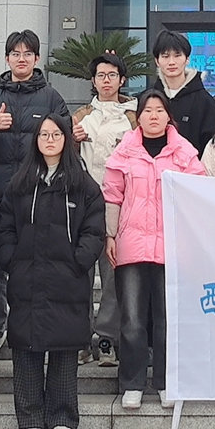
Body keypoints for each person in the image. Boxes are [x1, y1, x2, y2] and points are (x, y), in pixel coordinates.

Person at [2, 113, 107, 429]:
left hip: (67, 278)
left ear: (67, 139)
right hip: (27, 276)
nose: (50, 140)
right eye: (44, 135)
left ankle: (63, 416)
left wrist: (79, 262)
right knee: (26, 348)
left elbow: (94, 229)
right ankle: (30, 416)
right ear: (35, 140)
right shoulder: (20, 184)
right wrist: (12, 260)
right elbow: (5, 227)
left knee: (65, 348)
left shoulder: (82, 185)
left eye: (56, 135)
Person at [0, 29, 70, 365]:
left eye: (28, 53)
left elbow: (66, 139)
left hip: (40, 198)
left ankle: (35, 331)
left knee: (36, 268)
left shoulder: (52, 98)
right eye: (15, 53)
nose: (21, 59)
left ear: (37, 59)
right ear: (7, 58)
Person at [103, 90, 207, 410]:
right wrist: (110, 235)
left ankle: (165, 382)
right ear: (138, 116)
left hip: (171, 248)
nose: (153, 116)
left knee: (166, 320)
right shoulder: (125, 151)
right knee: (133, 318)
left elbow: (198, 194)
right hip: (131, 246)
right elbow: (112, 195)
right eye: (147, 110)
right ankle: (132, 383)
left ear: (168, 116)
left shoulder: (184, 153)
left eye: (159, 110)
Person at [71, 51, 136, 367]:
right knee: (79, 273)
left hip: (120, 206)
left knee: (112, 276)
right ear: (93, 81)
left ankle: (107, 338)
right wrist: (72, 140)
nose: (106, 81)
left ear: (122, 80)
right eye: (100, 75)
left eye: (112, 75)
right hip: (84, 205)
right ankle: (80, 339)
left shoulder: (134, 116)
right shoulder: (81, 116)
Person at [148, 30, 215, 154]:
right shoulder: (148, 99)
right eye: (165, 56)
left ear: (187, 59)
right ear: (157, 61)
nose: (171, 62)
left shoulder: (205, 101)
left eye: (177, 55)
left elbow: (212, 146)